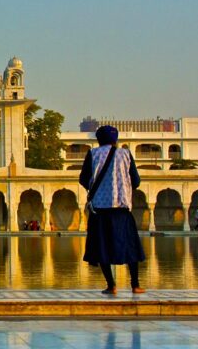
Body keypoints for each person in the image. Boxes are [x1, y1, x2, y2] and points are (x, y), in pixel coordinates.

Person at [80, 125, 145, 294]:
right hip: (122, 208)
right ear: (116, 139)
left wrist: (95, 188)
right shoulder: (125, 154)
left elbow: (83, 179)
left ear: (98, 139)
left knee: (102, 247)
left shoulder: (93, 154)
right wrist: (124, 187)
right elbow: (136, 181)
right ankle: (135, 285)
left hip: (100, 209)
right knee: (130, 247)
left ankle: (111, 285)